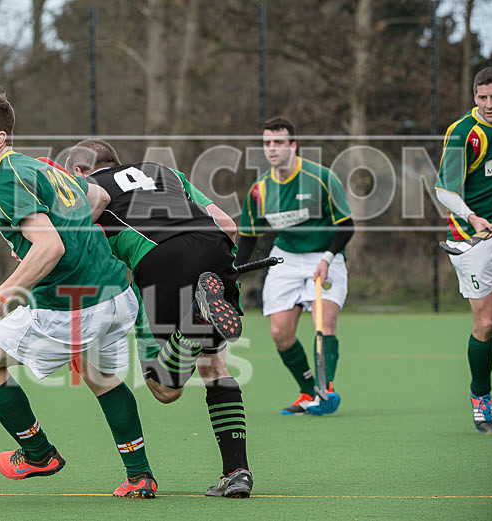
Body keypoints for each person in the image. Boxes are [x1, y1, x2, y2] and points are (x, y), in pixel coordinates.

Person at [0, 89, 156, 498]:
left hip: (73, 304)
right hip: (116, 294)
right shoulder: (41, 166)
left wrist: (2, 294)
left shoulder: (6, 177)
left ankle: (37, 454)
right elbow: (97, 196)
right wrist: (62, 235)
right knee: (100, 376)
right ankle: (140, 475)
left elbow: (50, 247)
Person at [65, 139, 253, 499]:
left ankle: (191, 326)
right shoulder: (167, 173)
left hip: (158, 258)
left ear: (78, 172)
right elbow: (228, 225)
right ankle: (237, 472)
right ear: (114, 161)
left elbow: (80, 253)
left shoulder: (87, 189)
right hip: (213, 247)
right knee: (215, 366)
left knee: (165, 389)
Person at [235, 116, 353, 416]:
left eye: (278, 143)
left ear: (293, 145)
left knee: (325, 322)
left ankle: (326, 389)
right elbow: (248, 238)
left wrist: (328, 259)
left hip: (325, 255)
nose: (272, 149)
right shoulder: (260, 190)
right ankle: (307, 390)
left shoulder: (322, 178)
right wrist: (231, 273)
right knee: (280, 333)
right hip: (285, 257)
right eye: (267, 143)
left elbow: (347, 226)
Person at [435, 67, 492, 434]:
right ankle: (481, 397)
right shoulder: (463, 132)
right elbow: (445, 192)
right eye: (482, 98)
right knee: (487, 323)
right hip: (473, 235)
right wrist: (474, 217)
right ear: (474, 98)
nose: (489, 104)